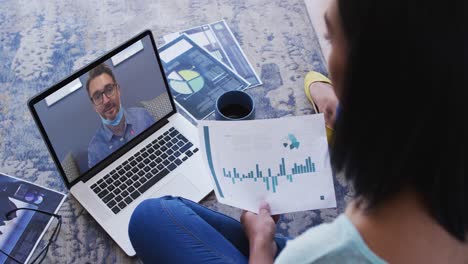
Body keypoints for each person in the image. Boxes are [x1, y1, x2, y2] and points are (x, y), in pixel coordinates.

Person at [128, 0, 467, 262]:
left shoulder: (319, 254)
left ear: (369, 74)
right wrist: (333, 98)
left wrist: (262, 247)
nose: (328, 57)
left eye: (331, 39)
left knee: (149, 218)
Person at [86, 63, 155, 168]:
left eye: (109, 89)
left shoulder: (143, 116)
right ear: (94, 106)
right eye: (97, 96)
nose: (106, 101)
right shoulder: (95, 150)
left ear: (118, 90)